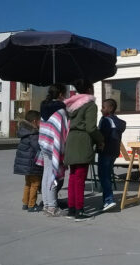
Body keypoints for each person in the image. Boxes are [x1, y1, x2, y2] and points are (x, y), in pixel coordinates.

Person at [64, 79, 104, 221]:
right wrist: (101, 140)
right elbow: (91, 128)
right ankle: (79, 211)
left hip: (71, 139)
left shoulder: (73, 106)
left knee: (73, 177)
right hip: (82, 141)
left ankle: (72, 209)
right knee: (80, 177)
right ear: (89, 90)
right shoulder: (90, 105)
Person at [38, 84, 68, 217]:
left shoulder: (44, 107)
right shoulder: (60, 110)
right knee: (53, 174)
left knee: (46, 175)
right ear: (61, 94)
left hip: (44, 144)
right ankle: (52, 207)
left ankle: (46, 204)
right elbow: (64, 131)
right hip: (54, 146)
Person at [98, 98, 126, 211]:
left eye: (103, 107)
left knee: (103, 176)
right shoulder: (117, 121)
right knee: (107, 175)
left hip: (105, 151)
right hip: (114, 152)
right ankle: (106, 201)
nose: (101, 109)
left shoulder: (106, 120)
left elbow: (101, 136)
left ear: (110, 108)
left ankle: (109, 200)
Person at [13, 110, 43, 212]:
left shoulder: (25, 132)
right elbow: (37, 147)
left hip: (26, 164)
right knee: (35, 184)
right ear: (35, 121)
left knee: (28, 183)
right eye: (40, 121)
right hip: (32, 164)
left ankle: (25, 203)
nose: (41, 123)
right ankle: (32, 205)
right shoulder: (33, 134)